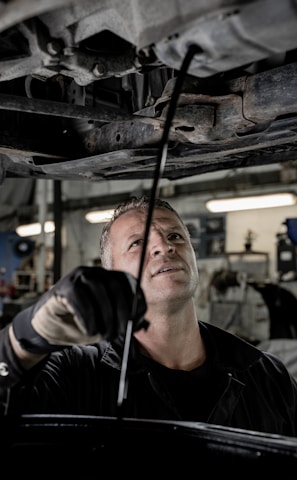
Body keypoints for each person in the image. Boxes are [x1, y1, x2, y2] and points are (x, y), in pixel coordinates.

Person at [0, 195, 297, 438]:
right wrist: (26, 335)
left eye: (175, 236)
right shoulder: (75, 373)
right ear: (111, 273)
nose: (165, 246)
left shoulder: (268, 376)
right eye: (137, 243)